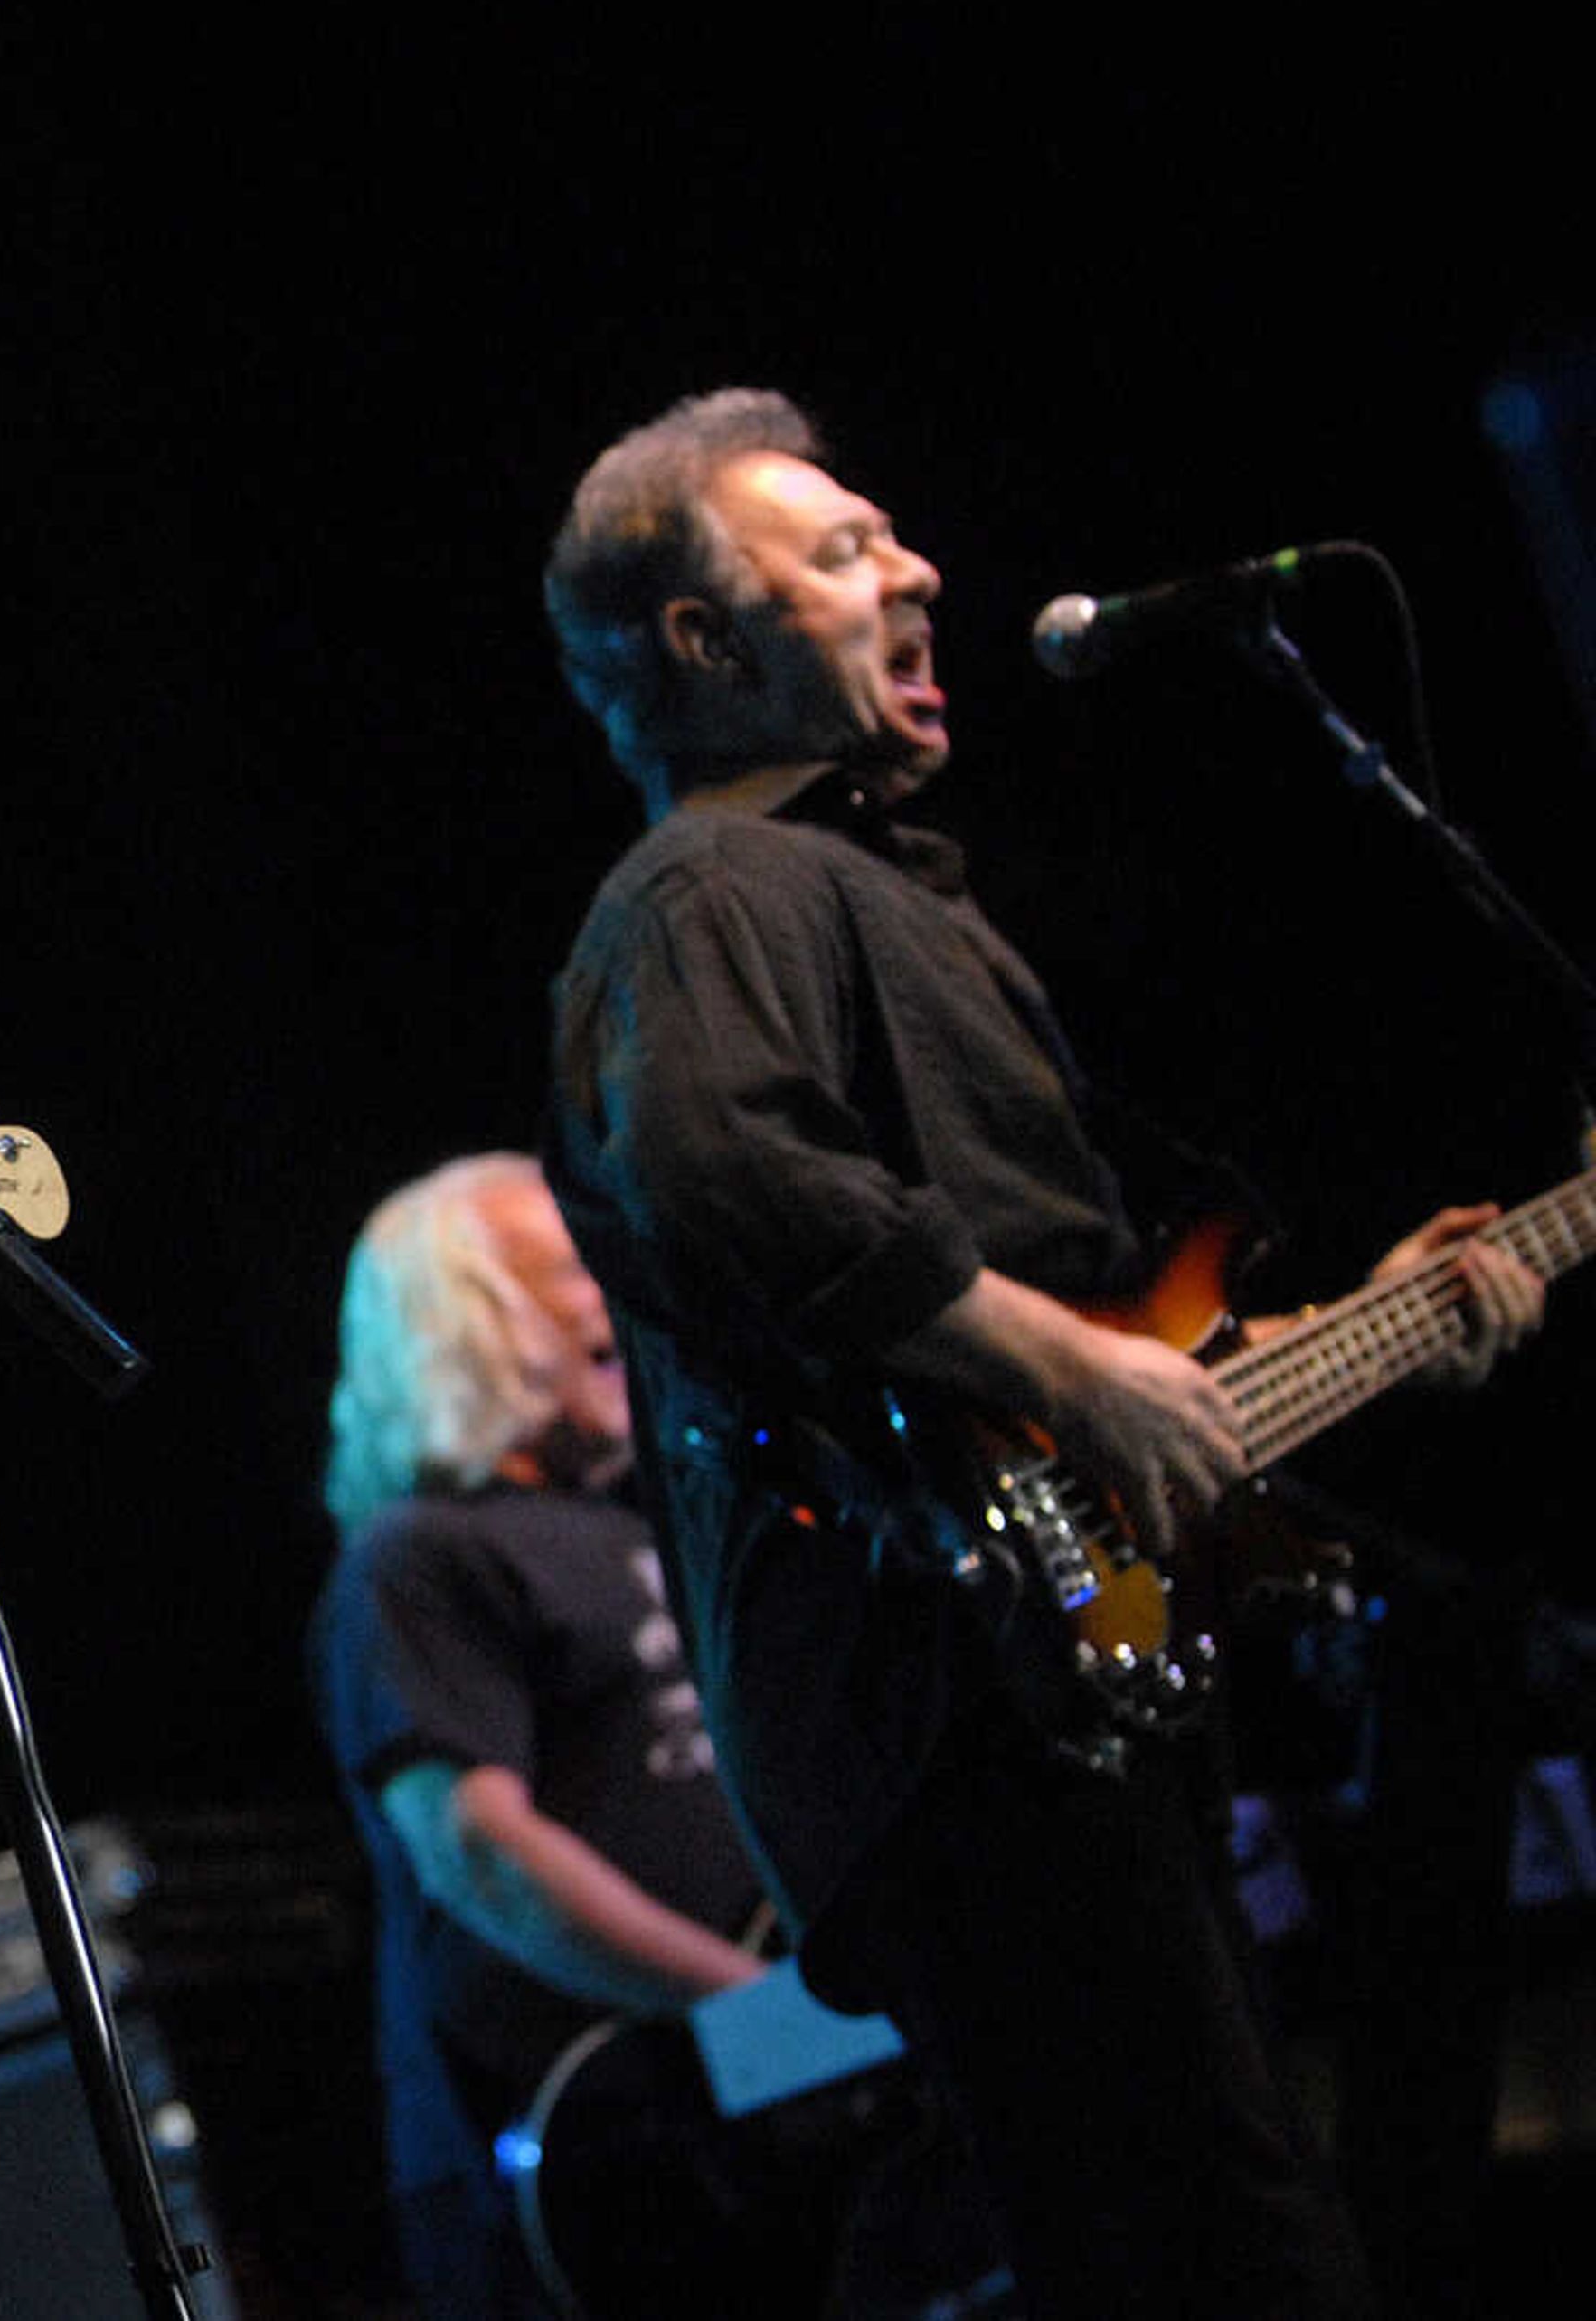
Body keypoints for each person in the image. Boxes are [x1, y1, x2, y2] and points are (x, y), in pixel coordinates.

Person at [535, 387, 1547, 2317]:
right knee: (1212, 2245)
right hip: (954, 1697)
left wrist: (1377, 1325)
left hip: (1053, 1673)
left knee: (1251, 2215)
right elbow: (717, 1162)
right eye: (839, 554)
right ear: (703, 640)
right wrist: (1075, 1376)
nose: (914, 569)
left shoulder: (878, 888)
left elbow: (1108, 1337)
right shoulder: (703, 895)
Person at [309, 1153, 767, 2316]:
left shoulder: (630, 1521)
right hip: (588, 2151)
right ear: (472, 1324)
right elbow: (479, 1856)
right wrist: (761, 2009)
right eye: (571, 1268)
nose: (616, 1293)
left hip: (735, 2117)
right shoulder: (417, 1558)